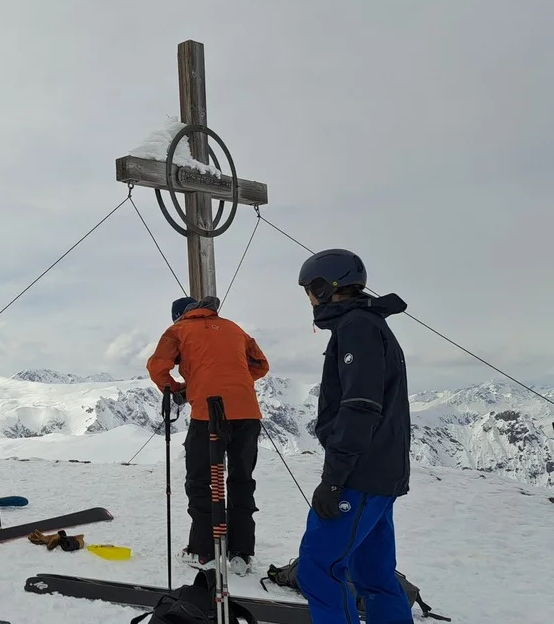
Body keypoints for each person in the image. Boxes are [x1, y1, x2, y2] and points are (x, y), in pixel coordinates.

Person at [294, 249, 414, 623]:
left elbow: (360, 406)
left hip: (359, 474)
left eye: (309, 290)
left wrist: (334, 479)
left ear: (325, 287)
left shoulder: (356, 328)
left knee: (318, 568)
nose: (309, 300)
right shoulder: (368, 324)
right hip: (379, 472)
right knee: (373, 575)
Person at [146, 294, 270, 576]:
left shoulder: (178, 330)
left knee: (201, 480)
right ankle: (241, 555)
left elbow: (157, 367)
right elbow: (260, 365)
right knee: (241, 479)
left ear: (179, 315)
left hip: (208, 413)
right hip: (248, 413)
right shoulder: (234, 328)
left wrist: (181, 389)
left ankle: (204, 552)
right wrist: (233, 380)